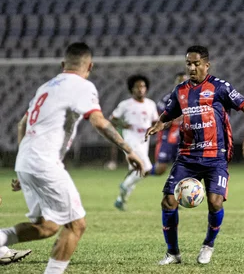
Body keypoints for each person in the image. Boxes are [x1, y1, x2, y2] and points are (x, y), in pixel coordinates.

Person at [0, 42, 144, 274]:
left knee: (47, 227)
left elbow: (22, 124)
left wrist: (23, 165)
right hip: (44, 162)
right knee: (77, 225)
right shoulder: (82, 86)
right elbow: (99, 121)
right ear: (90, 66)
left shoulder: (45, 87)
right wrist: (128, 149)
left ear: (62, 64)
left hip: (26, 160)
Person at [145, 45, 244, 265]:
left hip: (216, 156)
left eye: (196, 64)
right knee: (168, 201)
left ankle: (208, 245)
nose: (192, 68)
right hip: (187, 156)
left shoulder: (219, 87)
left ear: (207, 65)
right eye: (189, 64)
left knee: (215, 202)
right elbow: (169, 114)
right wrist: (160, 125)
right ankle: (173, 253)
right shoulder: (180, 91)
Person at [112, 75, 159, 211]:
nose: (140, 89)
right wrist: (123, 124)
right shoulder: (125, 105)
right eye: (137, 86)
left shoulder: (150, 104)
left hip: (143, 140)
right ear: (131, 89)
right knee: (146, 168)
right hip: (130, 140)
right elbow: (113, 119)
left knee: (135, 171)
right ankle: (125, 186)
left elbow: (155, 121)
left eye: (143, 86)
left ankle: (121, 200)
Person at [151, 72, 188, 175]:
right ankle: (142, 169)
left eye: (184, 81)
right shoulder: (167, 99)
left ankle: (182, 189)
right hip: (168, 137)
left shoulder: (194, 99)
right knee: (160, 169)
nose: (182, 83)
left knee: (185, 167)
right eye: (179, 81)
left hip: (185, 138)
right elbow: (160, 118)